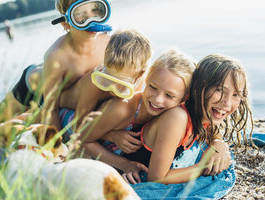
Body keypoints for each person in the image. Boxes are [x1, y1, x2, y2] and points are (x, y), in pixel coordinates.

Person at [78, 50, 232, 181]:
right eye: (152, 87)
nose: (158, 99)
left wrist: (219, 142)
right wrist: (121, 156)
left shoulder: (177, 111)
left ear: (184, 99)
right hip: (81, 127)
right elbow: (82, 139)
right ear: (146, 79)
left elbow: (209, 126)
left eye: (169, 96)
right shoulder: (123, 108)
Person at [0, 0, 112, 134]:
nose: (92, 19)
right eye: (80, 15)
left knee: (31, 118)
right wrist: (57, 145)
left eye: (96, 10)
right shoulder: (58, 56)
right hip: (34, 87)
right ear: (66, 23)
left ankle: (10, 128)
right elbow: (51, 109)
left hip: (63, 94)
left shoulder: (107, 42)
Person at [120, 54, 252, 184]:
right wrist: (202, 167)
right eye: (219, 90)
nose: (227, 103)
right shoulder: (177, 117)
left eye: (236, 94)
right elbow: (156, 178)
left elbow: (213, 129)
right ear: (198, 88)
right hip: (123, 167)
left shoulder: (205, 115)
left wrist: (219, 143)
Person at [57, 29, 152, 140]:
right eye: (109, 79)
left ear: (140, 75)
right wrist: (112, 136)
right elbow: (79, 127)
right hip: (69, 111)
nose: (112, 88)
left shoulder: (139, 79)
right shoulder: (93, 83)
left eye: (121, 84)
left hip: (97, 114)